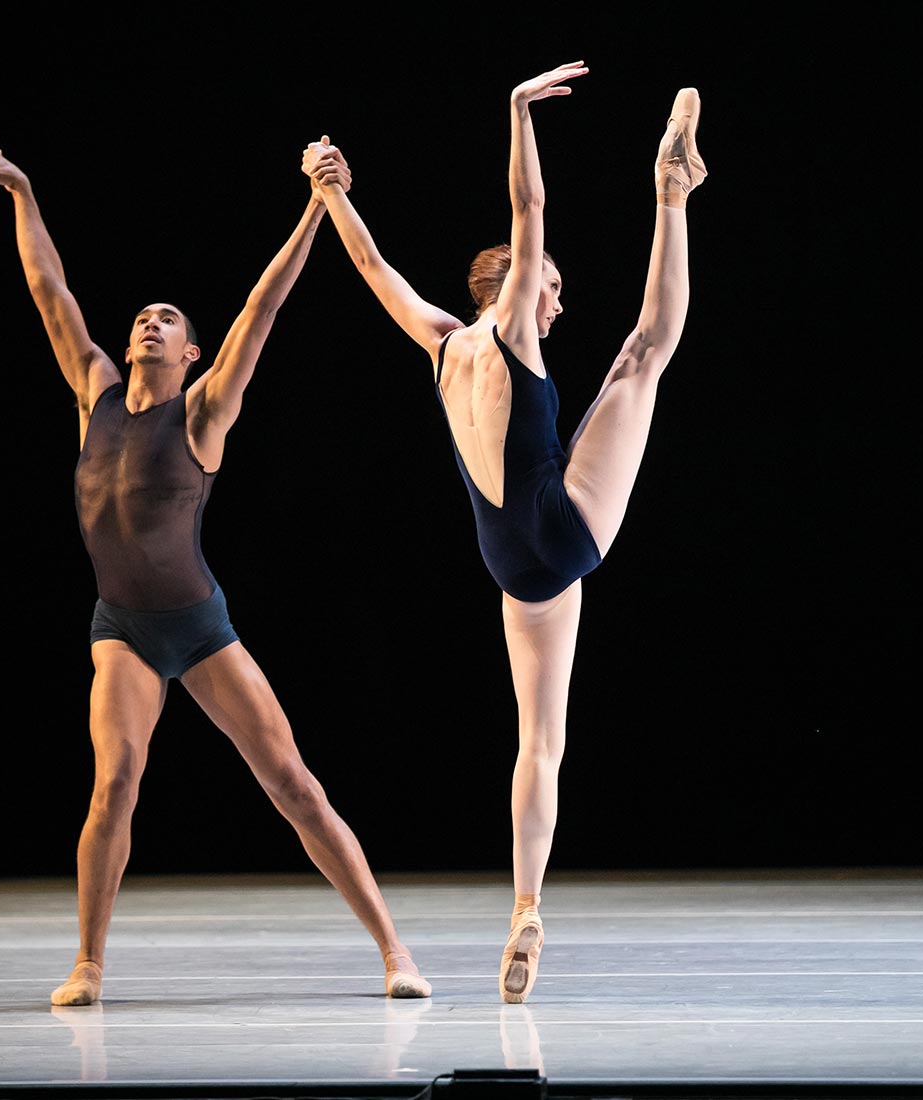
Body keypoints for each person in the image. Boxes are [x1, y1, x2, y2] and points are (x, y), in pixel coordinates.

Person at [0, 119, 431, 1006]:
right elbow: (48, 289)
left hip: (200, 626)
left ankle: (396, 953)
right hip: (122, 628)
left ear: (191, 354)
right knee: (114, 782)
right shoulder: (95, 393)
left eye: (168, 320)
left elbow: (262, 308)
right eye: (143, 316)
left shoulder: (204, 412)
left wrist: (316, 207)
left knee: (294, 785)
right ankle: (88, 966)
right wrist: (23, 194)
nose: (151, 322)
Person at [301, 62, 706, 1003]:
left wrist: (331, 195)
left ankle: (527, 908)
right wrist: (518, 112)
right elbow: (530, 206)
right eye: (548, 284)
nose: (556, 299)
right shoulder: (511, 325)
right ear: (512, 287)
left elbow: (371, 267)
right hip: (560, 527)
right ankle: (672, 193)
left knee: (538, 742)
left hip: (510, 562)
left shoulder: (440, 343)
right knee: (643, 355)